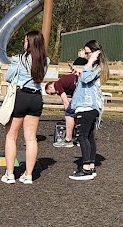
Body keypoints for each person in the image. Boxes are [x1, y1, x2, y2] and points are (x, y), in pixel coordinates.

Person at [1, 30, 47, 185]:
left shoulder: (19, 59)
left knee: (11, 136)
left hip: (21, 96)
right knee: (31, 138)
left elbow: (8, 77)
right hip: (36, 98)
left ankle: (10, 174)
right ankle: (28, 175)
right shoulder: (45, 60)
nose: (23, 42)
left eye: (25, 40)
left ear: (30, 42)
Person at [68, 39, 108, 181]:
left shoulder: (95, 67)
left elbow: (85, 79)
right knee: (89, 137)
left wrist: (89, 63)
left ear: (95, 53)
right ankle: (90, 165)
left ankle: (86, 169)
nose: (85, 56)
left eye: (87, 53)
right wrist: (78, 75)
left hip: (87, 106)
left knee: (82, 136)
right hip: (87, 106)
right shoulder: (93, 68)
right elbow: (83, 81)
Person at [45, 56, 86, 146]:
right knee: (78, 115)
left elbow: (65, 101)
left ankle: (68, 140)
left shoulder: (58, 85)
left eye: (51, 93)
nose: (53, 94)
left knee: (69, 113)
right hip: (83, 89)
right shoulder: (61, 82)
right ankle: (80, 139)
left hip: (80, 90)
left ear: (51, 86)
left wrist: (67, 114)